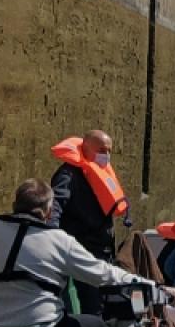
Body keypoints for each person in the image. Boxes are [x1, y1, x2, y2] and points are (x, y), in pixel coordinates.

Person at [0, 178, 151, 327]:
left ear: (14, 205)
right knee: (98, 326)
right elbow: (104, 275)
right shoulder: (59, 241)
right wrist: (149, 284)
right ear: (48, 212)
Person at [49, 129, 129, 310]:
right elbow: (55, 205)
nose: (106, 155)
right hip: (81, 250)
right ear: (85, 148)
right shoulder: (68, 175)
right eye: (101, 150)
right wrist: (51, 237)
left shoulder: (101, 173)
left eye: (109, 151)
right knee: (91, 306)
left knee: (99, 305)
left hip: (101, 251)